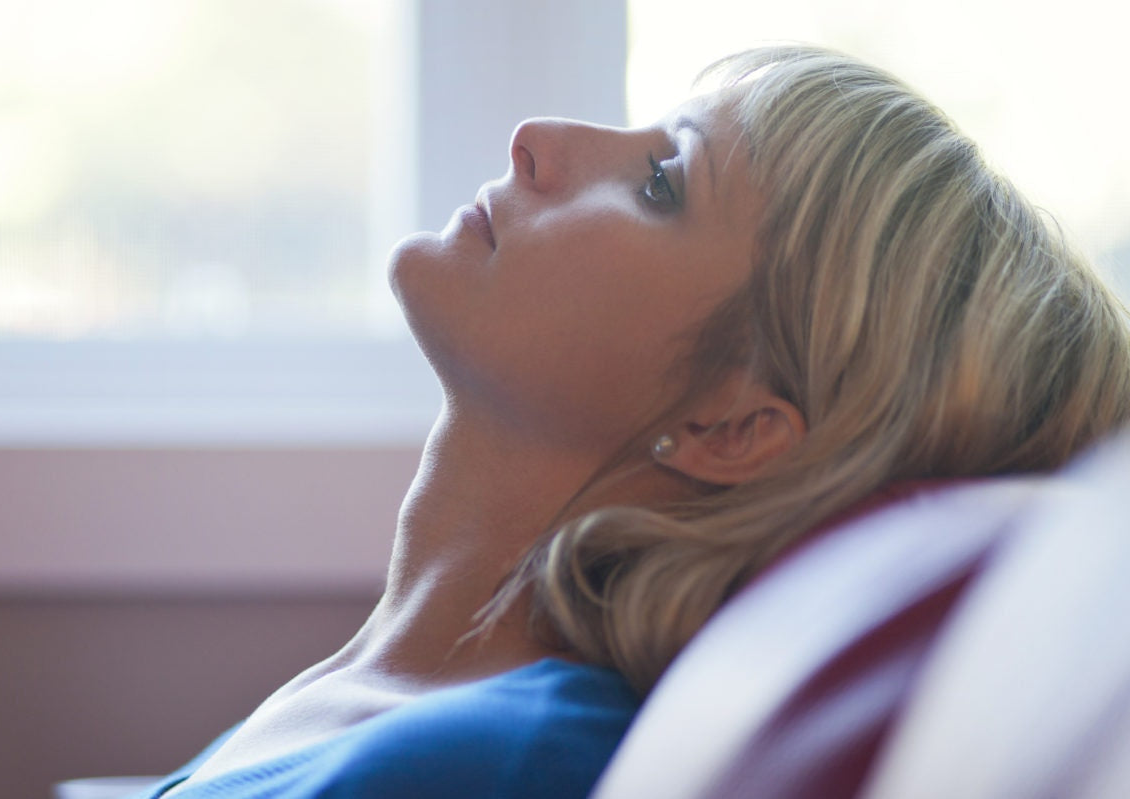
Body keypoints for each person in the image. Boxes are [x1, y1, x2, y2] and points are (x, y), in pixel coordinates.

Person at [135, 45, 1130, 798]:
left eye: (662, 182)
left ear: (732, 423)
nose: (539, 141)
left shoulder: (497, 760)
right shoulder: (372, 699)